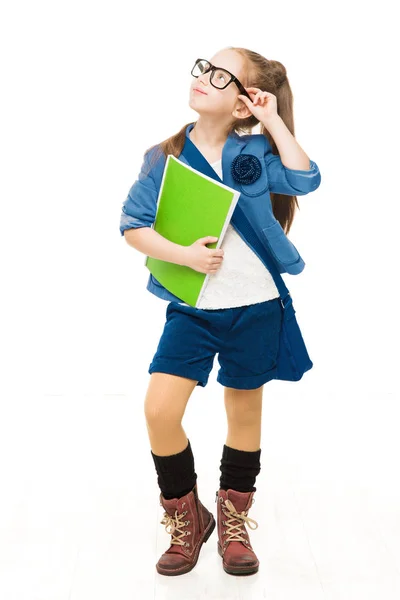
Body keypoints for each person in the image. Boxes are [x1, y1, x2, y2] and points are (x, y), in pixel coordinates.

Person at [119, 46, 321, 577]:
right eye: (202, 66)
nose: (204, 77)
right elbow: (133, 226)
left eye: (220, 74)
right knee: (161, 411)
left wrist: (272, 120)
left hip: (255, 304)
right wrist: (184, 256)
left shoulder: (253, 152)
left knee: (244, 412)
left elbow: (305, 179)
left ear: (242, 103)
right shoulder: (164, 157)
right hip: (193, 307)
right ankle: (188, 515)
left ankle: (233, 519)